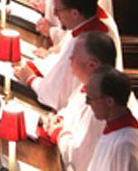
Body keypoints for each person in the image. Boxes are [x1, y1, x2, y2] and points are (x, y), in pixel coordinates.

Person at [38, 30, 121, 171]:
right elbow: (70, 110)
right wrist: (59, 119)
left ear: (92, 65)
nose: (70, 61)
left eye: (74, 57)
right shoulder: (89, 83)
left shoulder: (102, 106)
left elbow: (79, 158)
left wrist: (58, 133)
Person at [85, 67, 138, 170]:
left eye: (91, 99)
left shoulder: (125, 144)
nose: (87, 103)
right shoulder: (115, 130)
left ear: (110, 101)